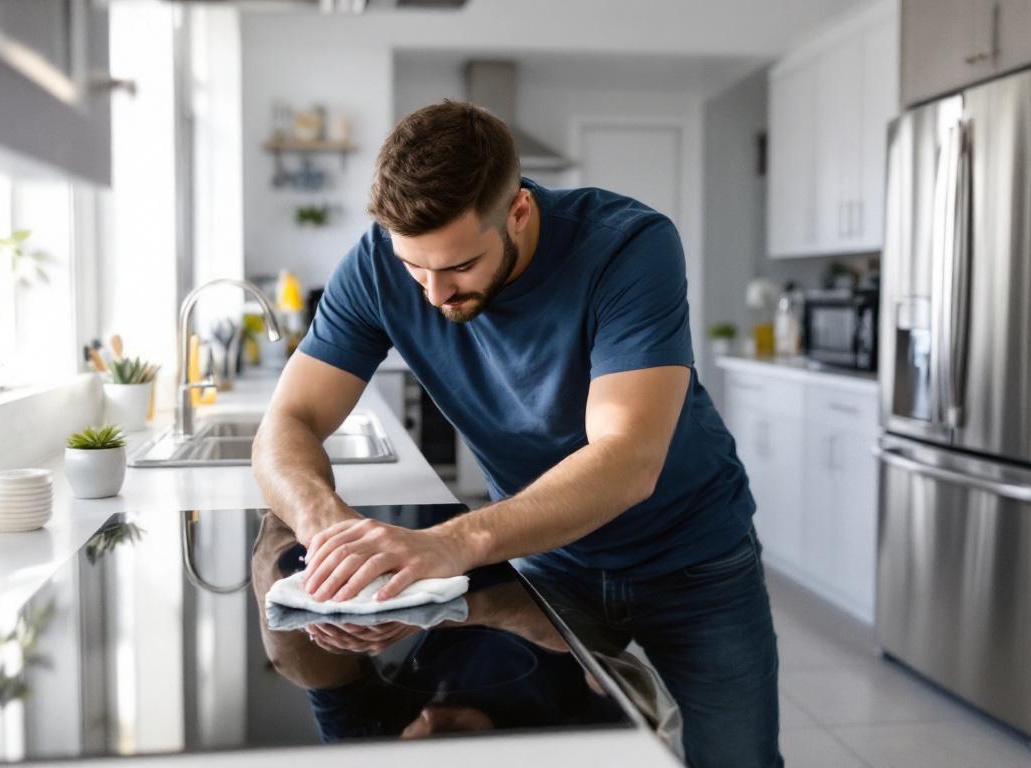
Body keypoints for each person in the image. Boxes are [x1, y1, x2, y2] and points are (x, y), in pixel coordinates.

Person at [252, 100, 782, 767]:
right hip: (551, 564)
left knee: (737, 760)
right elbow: (287, 422)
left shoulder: (627, 246)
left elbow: (626, 457)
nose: (435, 295)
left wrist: (448, 546)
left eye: (460, 266)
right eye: (415, 268)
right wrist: (325, 529)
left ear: (520, 213)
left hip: (693, 560)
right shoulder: (379, 267)